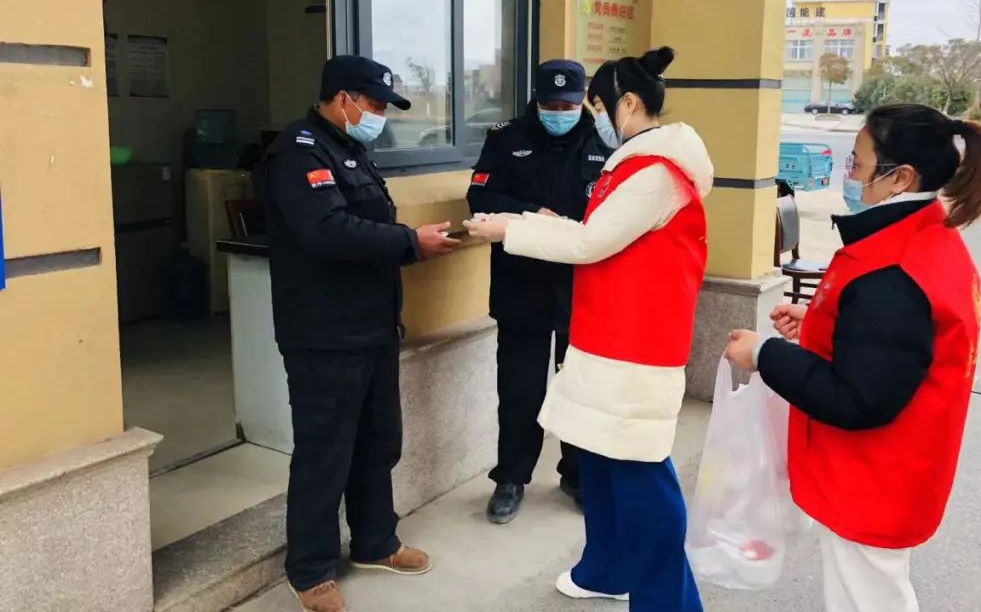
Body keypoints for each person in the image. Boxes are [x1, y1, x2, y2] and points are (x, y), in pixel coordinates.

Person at [725, 103, 981, 612]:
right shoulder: (922, 238)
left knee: (867, 596)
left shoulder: (895, 272)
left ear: (901, 177)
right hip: (897, 465)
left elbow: (855, 396)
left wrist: (765, 354)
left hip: (875, 474)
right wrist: (821, 323)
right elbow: (890, 347)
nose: (848, 174)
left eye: (857, 162)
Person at [466, 46, 711, 612]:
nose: (589, 117)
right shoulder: (630, 164)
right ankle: (605, 567)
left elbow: (588, 241)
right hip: (603, 331)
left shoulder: (656, 174)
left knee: (640, 475)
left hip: (635, 344)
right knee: (599, 460)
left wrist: (509, 228)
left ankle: (670, 603)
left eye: (595, 106)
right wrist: (518, 220)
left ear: (629, 103)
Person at [259, 55, 461, 612]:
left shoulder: (350, 149)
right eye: (373, 104)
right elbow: (327, 231)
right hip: (324, 333)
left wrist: (409, 243)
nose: (380, 116)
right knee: (325, 453)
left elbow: (366, 224)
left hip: (373, 326)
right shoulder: (298, 152)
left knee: (378, 442)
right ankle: (310, 569)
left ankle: (376, 541)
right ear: (342, 98)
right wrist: (410, 242)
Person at [467, 59, 611, 524]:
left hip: (582, 288)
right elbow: (480, 196)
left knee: (578, 390)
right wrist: (532, 214)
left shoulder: (604, 141)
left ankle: (577, 475)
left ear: (581, 100)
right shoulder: (505, 138)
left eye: (567, 105)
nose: (559, 113)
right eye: (550, 105)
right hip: (521, 287)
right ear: (536, 100)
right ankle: (511, 478)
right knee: (519, 391)